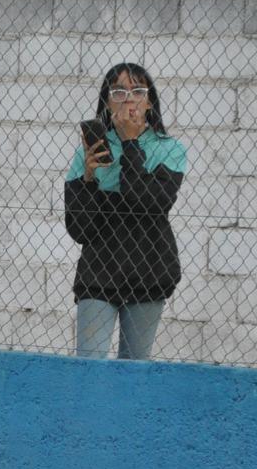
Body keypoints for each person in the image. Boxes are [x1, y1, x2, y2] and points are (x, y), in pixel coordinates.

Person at [64, 63, 186, 360]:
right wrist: (88, 179)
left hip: (149, 269)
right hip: (99, 272)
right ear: (107, 102)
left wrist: (130, 143)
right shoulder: (90, 151)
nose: (128, 99)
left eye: (138, 91)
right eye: (118, 92)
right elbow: (79, 229)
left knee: (133, 369)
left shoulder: (169, 149)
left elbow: (148, 204)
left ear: (149, 101)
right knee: (89, 364)